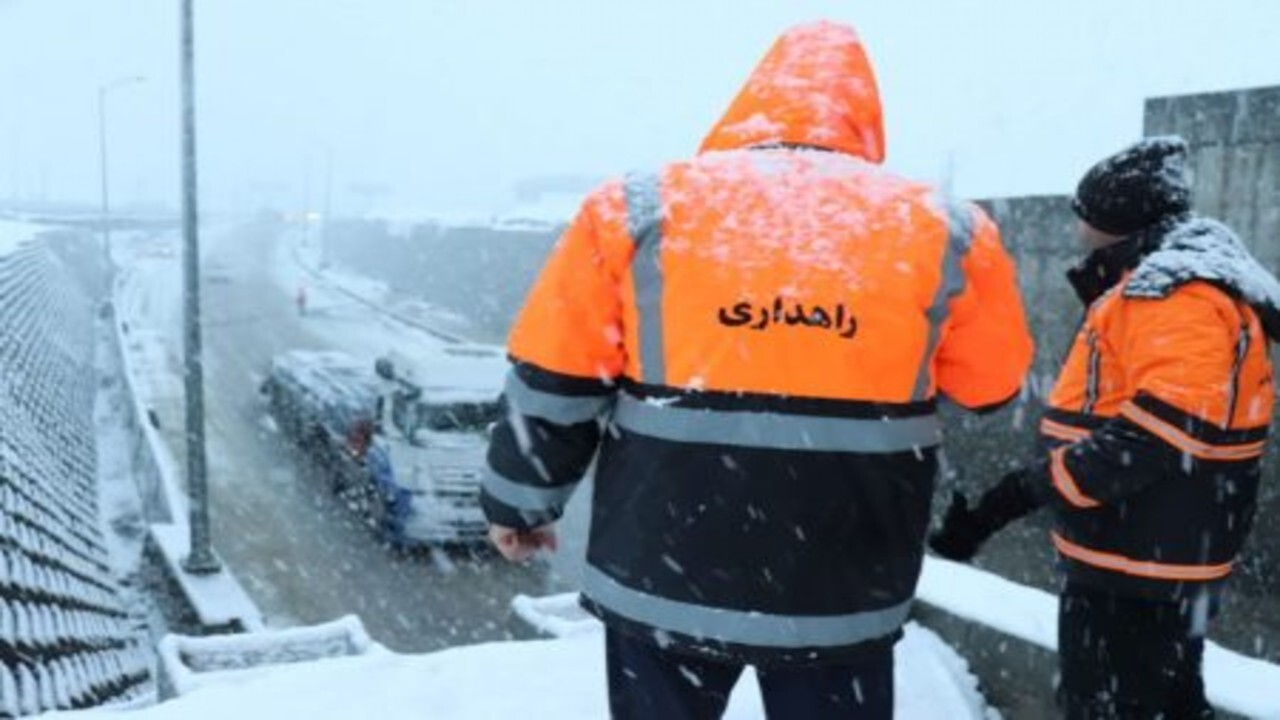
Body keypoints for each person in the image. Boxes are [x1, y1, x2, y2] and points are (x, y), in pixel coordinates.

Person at [482, 21, 1033, 720]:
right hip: (842, 589)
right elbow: (992, 386)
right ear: (866, 114)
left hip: (664, 573)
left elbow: (554, 378)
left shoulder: (635, 208)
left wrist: (519, 505)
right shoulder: (946, 228)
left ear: (749, 100)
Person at [929, 136, 1280, 718]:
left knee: (1111, 705)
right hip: (1153, 554)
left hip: (1139, 563)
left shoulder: (1170, 295)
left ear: (1116, 220)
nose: (1079, 231)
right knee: (1163, 701)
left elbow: (1161, 435)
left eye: (1086, 216)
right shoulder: (1171, 286)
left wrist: (1018, 494)